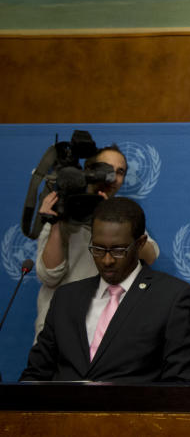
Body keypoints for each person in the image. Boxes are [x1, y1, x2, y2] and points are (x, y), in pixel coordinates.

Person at [21, 197, 190, 382]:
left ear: (140, 244)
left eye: (118, 250)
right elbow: (35, 374)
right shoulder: (66, 297)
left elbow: (179, 383)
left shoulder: (172, 297)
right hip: (62, 409)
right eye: (98, 249)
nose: (107, 260)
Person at [34, 144, 159, 340]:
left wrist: (110, 217)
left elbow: (150, 256)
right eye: (106, 169)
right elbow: (49, 275)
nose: (113, 177)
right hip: (59, 327)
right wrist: (57, 222)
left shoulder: (123, 214)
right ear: (88, 171)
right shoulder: (64, 208)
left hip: (108, 329)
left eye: (120, 172)